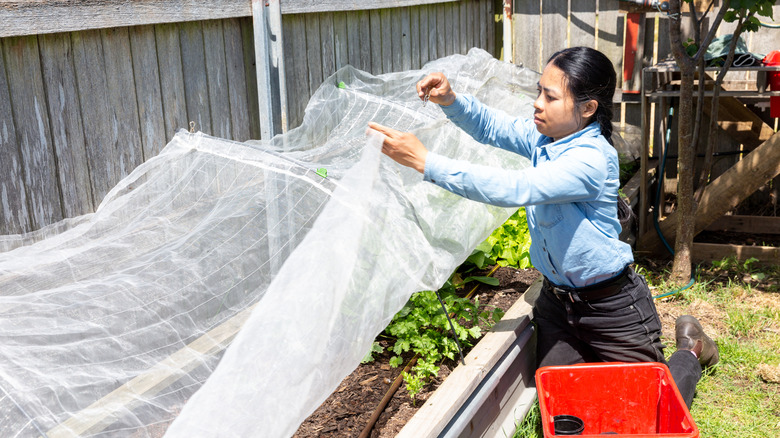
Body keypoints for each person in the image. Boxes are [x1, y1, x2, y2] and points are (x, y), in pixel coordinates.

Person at [368, 46, 718, 408]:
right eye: (539, 91)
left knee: (653, 408)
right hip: (558, 305)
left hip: (611, 308)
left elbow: (516, 188)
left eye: (550, 97)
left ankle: (691, 350)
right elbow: (493, 126)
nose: (537, 103)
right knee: (564, 410)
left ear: (587, 108)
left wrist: (427, 162)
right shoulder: (547, 139)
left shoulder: (590, 159)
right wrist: (451, 100)